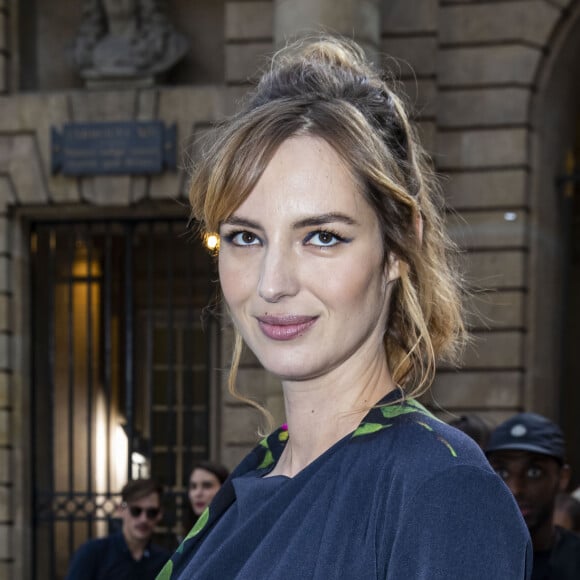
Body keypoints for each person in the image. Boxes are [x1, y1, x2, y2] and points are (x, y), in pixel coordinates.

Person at [157, 35, 531, 579]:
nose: (272, 283)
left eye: (323, 237)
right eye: (244, 237)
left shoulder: (441, 492)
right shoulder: (257, 476)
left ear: (398, 248)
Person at [486, 412, 580, 579]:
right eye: (502, 472)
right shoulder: (468, 558)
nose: (516, 489)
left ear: (562, 478)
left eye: (533, 472)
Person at [66, 478, 170, 579]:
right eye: (136, 511)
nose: (143, 519)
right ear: (121, 509)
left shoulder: (164, 561)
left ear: (159, 515)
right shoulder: (92, 553)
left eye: (151, 512)